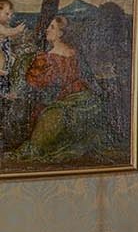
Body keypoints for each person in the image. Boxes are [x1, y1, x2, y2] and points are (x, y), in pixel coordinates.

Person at [15, 15, 108, 163]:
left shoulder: (48, 56)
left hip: (75, 98)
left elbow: (35, 82)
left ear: (60, 33)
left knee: (49, 117)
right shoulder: (72, 52)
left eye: (51, 27)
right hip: (82, 97)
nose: (47, 30)